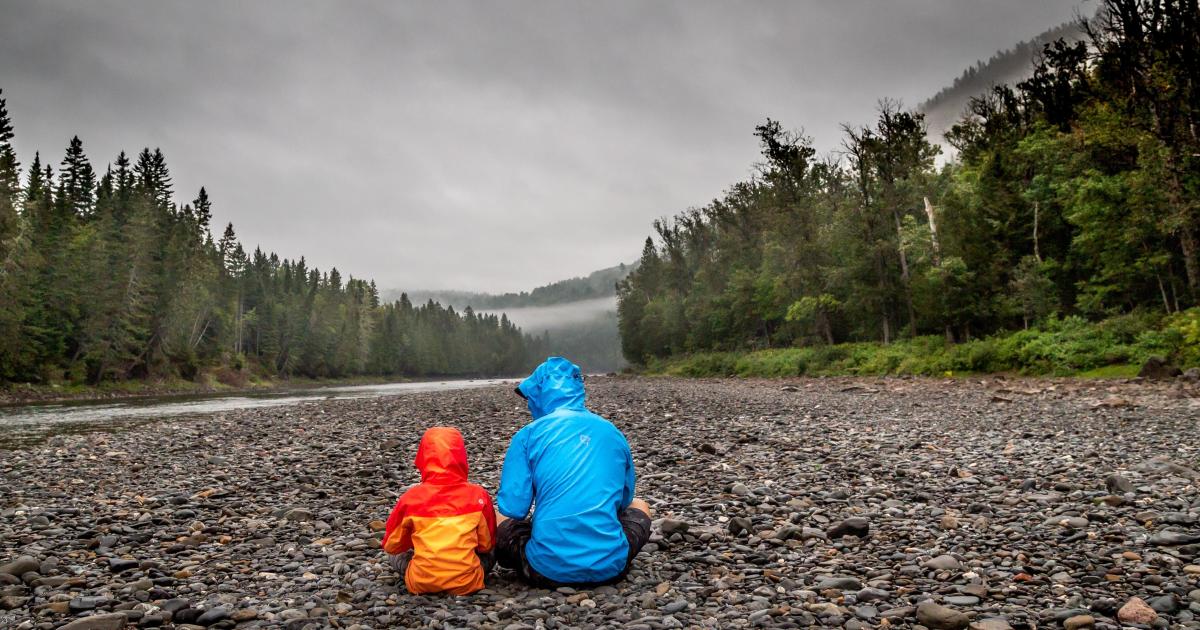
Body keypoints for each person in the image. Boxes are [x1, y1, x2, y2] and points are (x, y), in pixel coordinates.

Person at [495, 357, 652, 587]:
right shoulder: (612, 432)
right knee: (640, 505)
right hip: (611, 568)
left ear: (539, 395)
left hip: (545, 571)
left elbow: (513, 509)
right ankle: (601, 549)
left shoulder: (528, 436)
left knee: (498, 516)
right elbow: (625, 500)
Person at [382, 426, 496, 595]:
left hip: (421, 582)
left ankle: (427, 570)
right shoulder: (478, 495)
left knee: (395, 555)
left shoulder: (410, 498)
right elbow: (486, 545)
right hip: (467, 582)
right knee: (493, 548)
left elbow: (392, 546)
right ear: (462, 458)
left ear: (423, 457)